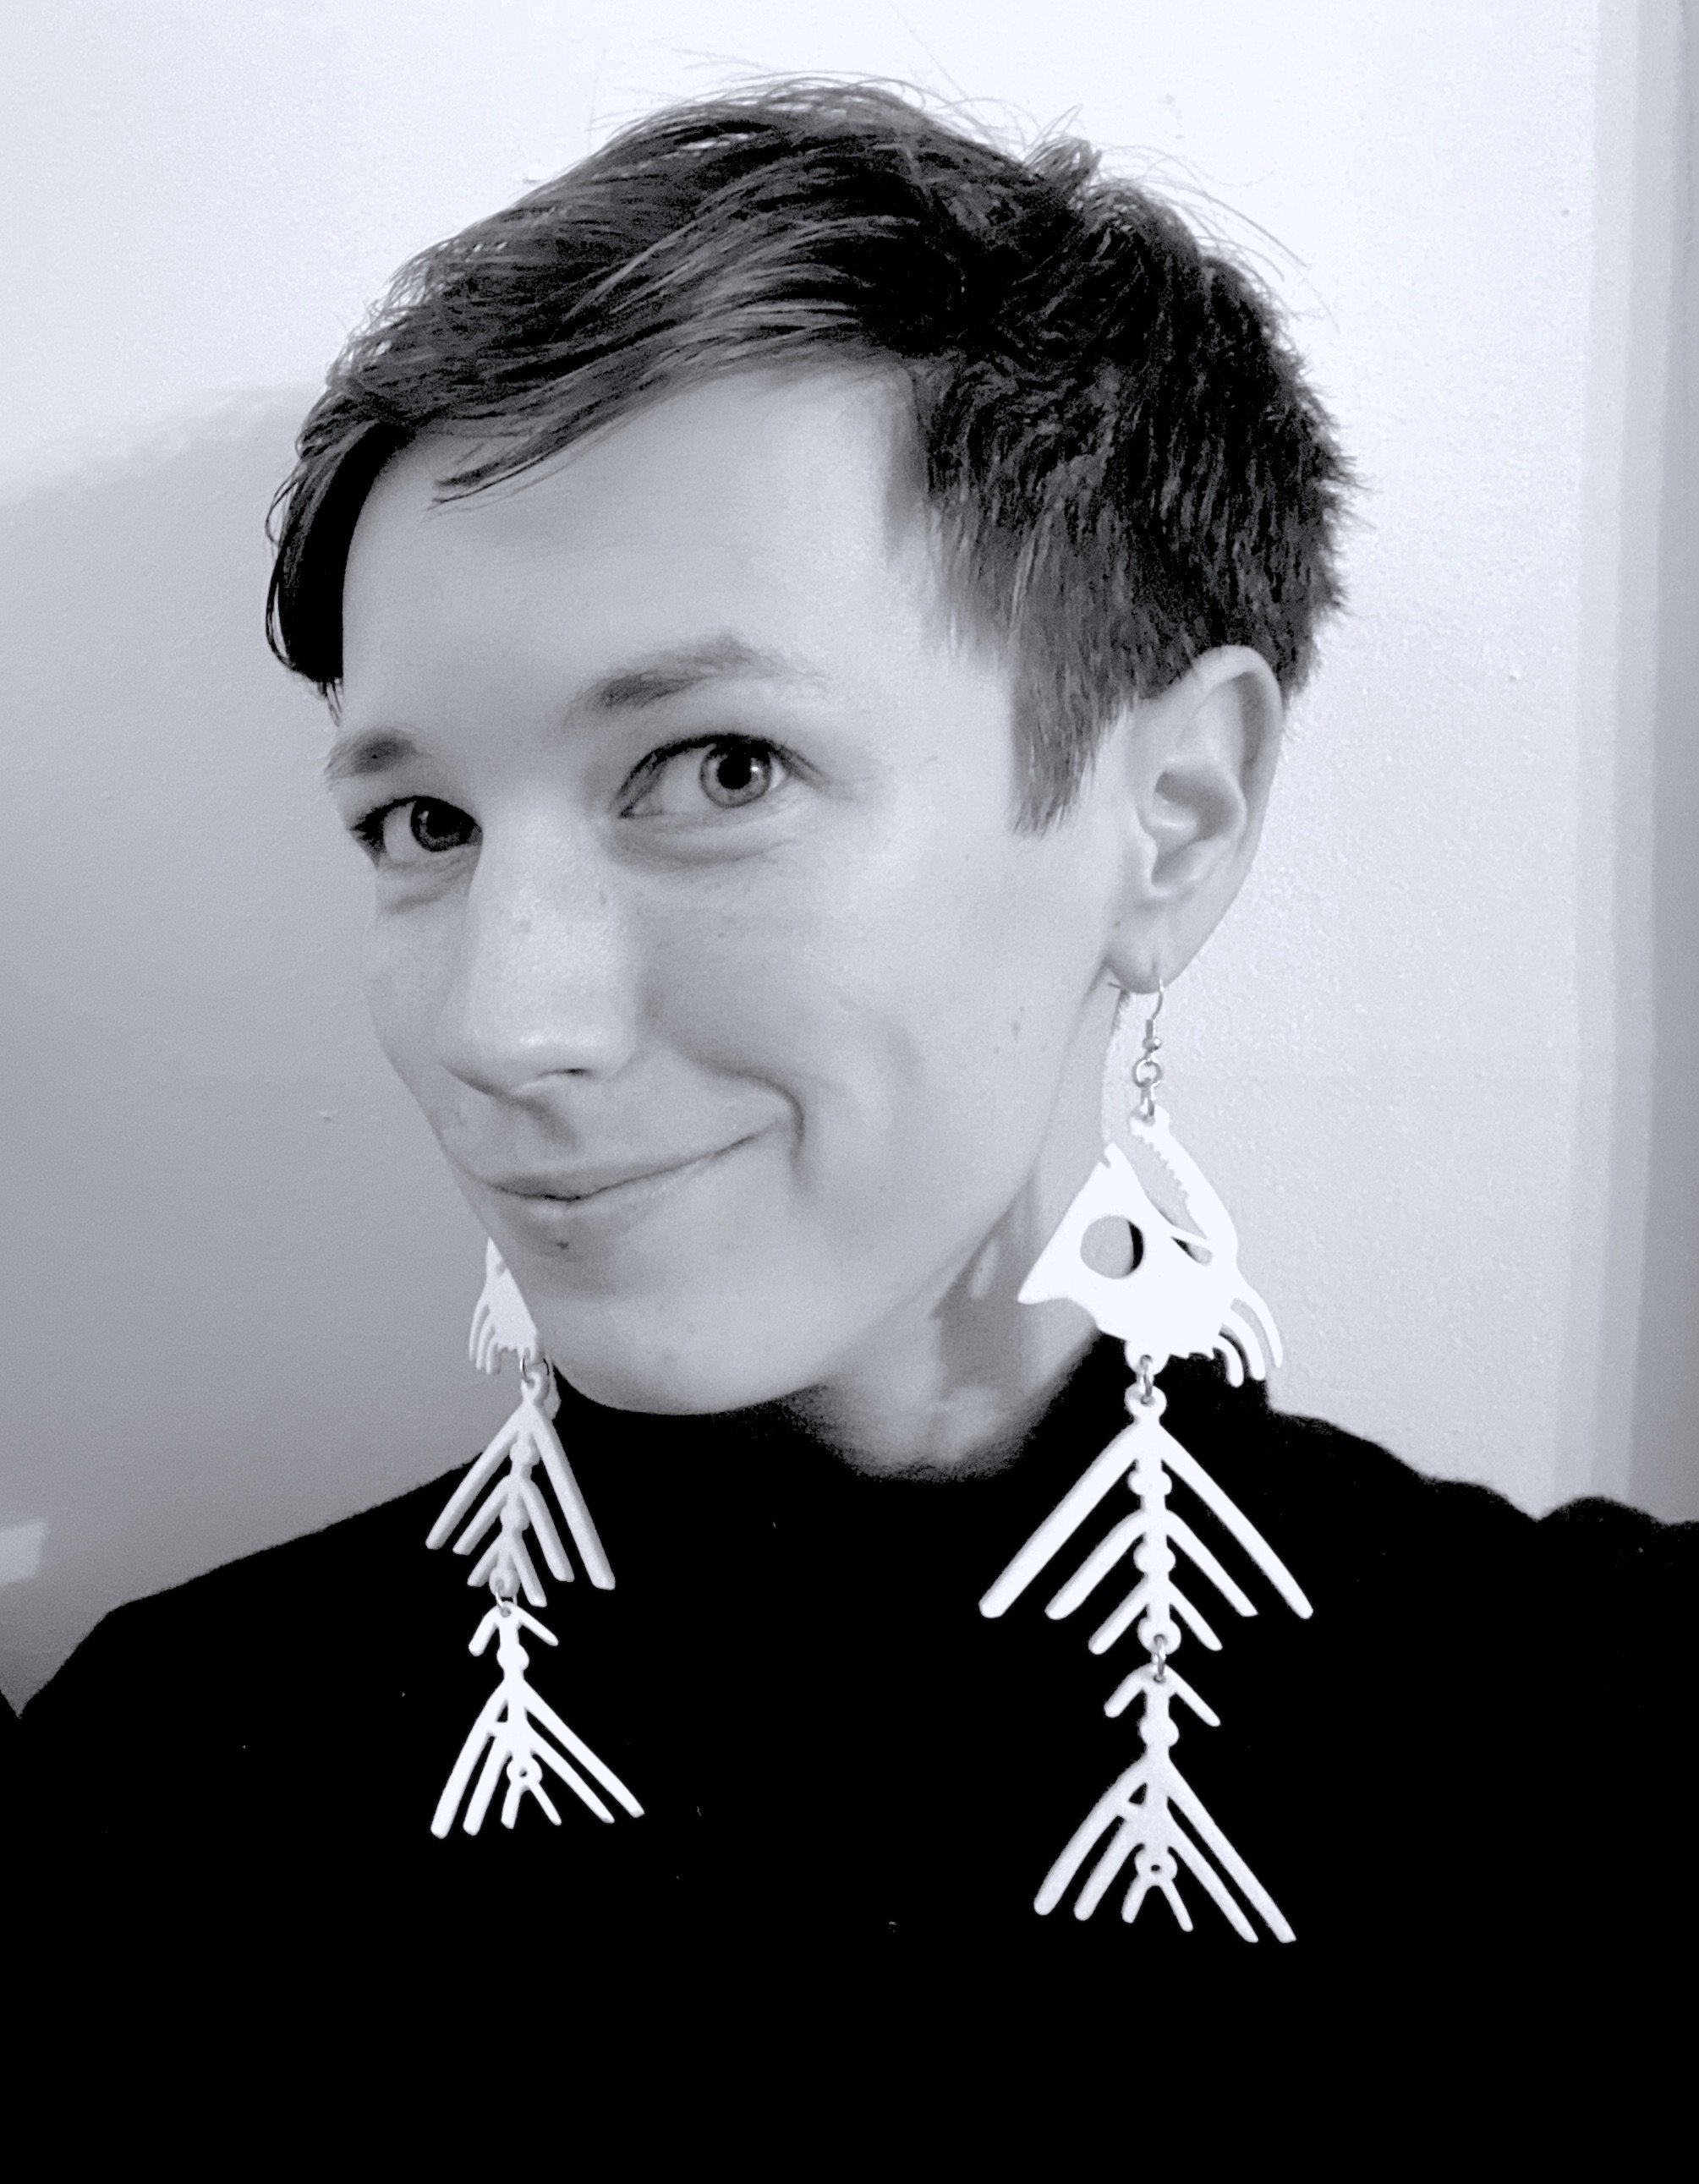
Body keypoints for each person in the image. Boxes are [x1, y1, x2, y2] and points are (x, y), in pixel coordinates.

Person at [17, 83, 1695, 2040]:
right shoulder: (162, 1789)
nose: (499, 1024)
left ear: (1168, 816)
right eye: (422, 824)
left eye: (719, 767)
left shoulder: (1608, 1743)